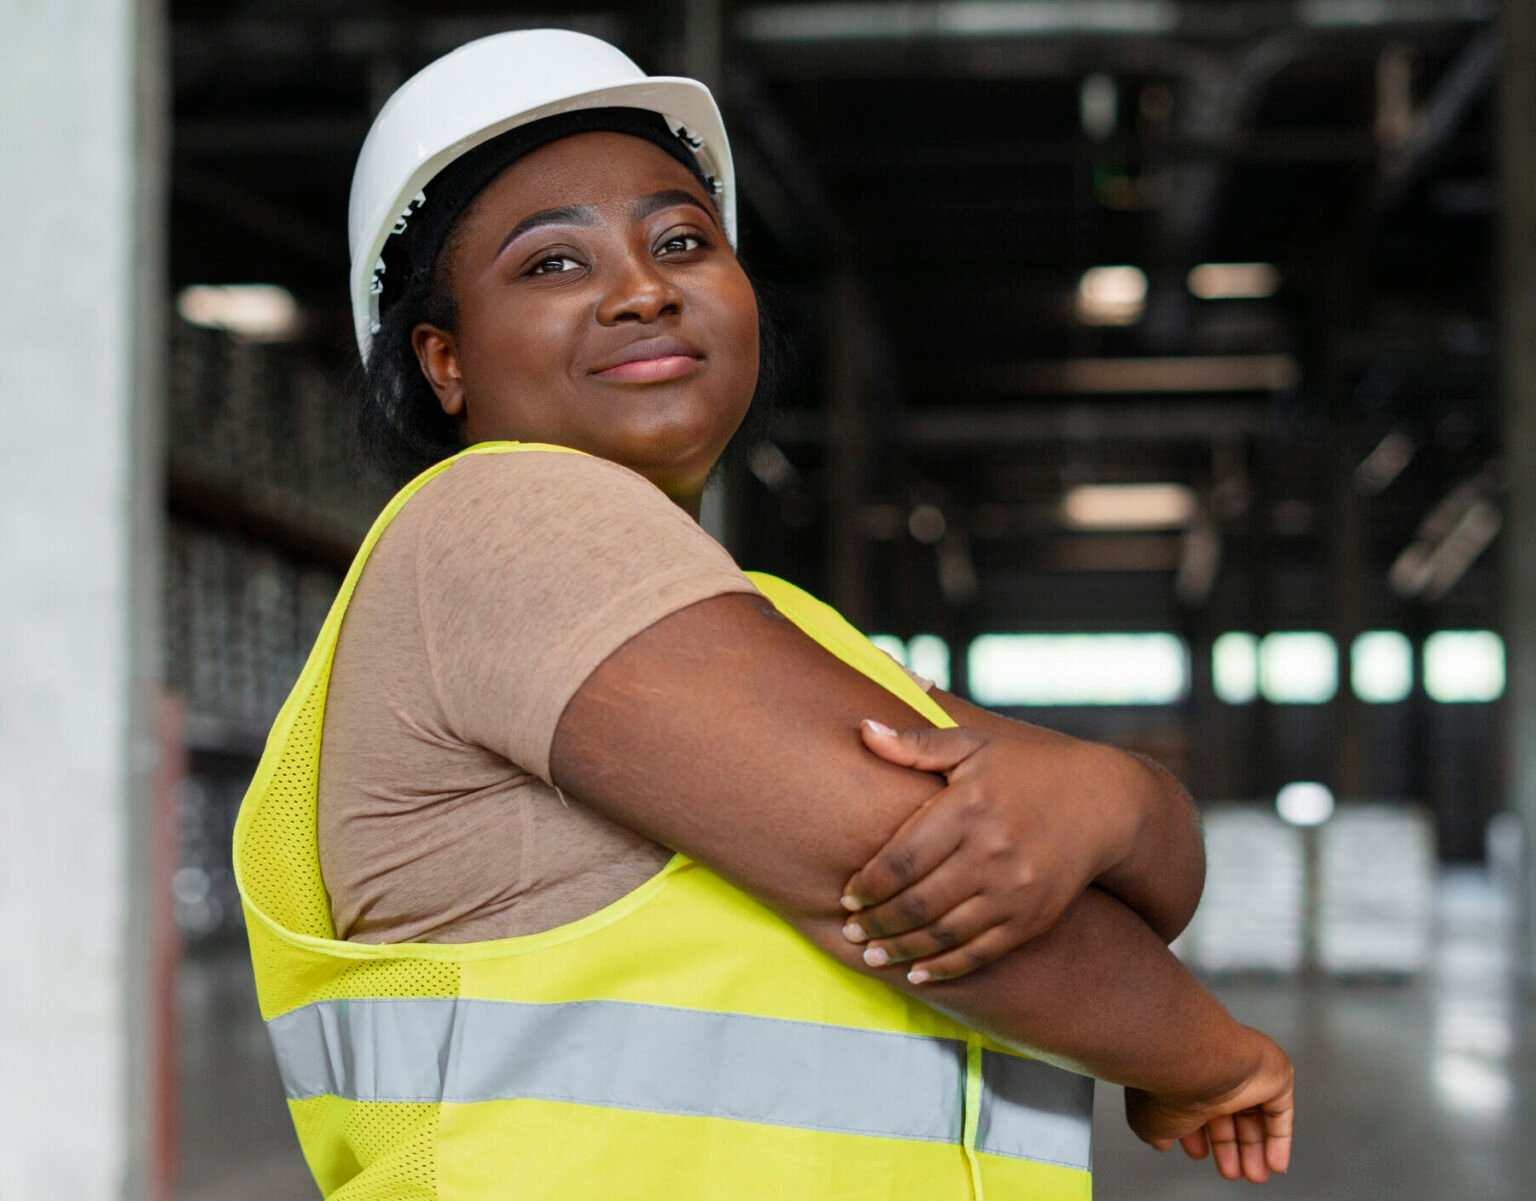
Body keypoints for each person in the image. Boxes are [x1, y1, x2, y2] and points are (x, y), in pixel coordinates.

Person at [233, 29, 1293, 1201]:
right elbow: (930, 887)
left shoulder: (769, 623)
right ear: (443, 361)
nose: (644, 289)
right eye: (552, 265)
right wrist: (1210, 1052)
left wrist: (1120, 797)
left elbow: (1127, 878)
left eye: (682, 239)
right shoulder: (498, 522)